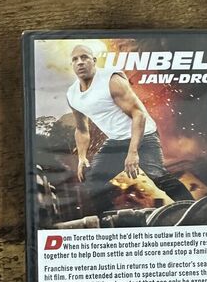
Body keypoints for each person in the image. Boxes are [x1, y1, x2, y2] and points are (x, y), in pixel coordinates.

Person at [67, 44, 193, 214]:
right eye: (75, 59)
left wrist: (133, 152)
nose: (80, 62)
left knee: (157, 176)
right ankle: (109, 220)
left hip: (144, 135)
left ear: (94, 61)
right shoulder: (73, 94)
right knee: (94, 180)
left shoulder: (111, 80)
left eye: (84, 57)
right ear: (72, 64)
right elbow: (82, 129)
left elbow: (138, 114)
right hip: (116, 140)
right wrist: (82, 157)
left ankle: (194, 211)